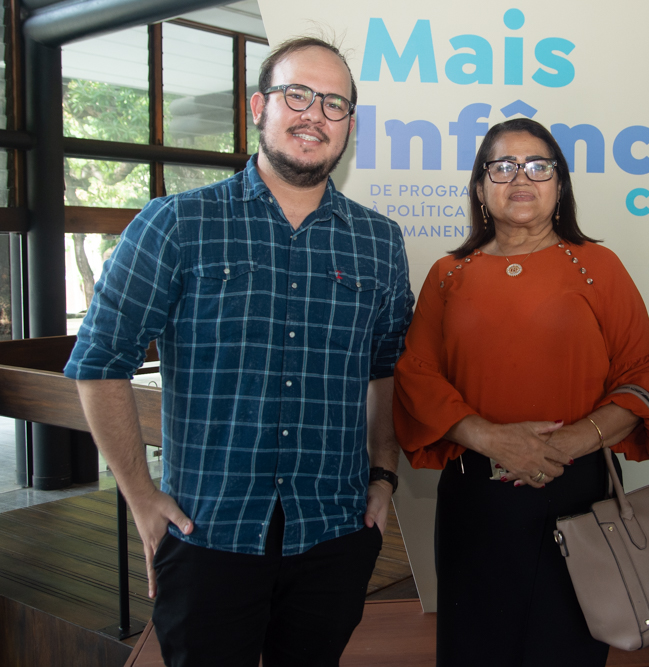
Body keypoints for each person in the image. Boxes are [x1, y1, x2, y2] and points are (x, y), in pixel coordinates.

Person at [64, 36, 414, 666]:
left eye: (334, 103)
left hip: (332, 535)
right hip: (207, 534)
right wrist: (141, 497)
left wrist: (383, 473)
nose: (315, 114)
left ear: (350, 126)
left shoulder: (379, 241)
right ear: (259, 106)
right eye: (297, 95)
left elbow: (384, 366)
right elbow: (99, 361)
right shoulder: (177, 223)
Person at [393, 117, 649, 667]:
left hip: (577, 498)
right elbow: (416, 375)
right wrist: (492, 440)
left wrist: (568, 443)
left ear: (560, 184)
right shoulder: (448, 275)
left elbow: (646, 373)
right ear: (479, 186)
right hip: (477, 501)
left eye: (538, 165)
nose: (520, 177)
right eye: (503, 166)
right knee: (475, 649)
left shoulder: (598, 266)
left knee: (564, 649)